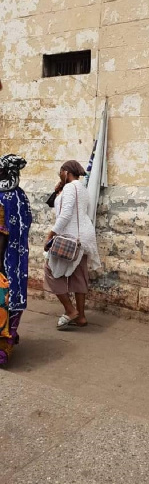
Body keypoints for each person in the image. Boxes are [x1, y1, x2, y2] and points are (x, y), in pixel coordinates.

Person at [44, 160, 100, 330]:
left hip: (70, 238)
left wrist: (51, 235)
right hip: (83, 237)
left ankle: (70, 310)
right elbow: (56, 204)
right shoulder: (81, 188)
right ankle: (81, 317)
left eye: (61, 172)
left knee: (50, 271)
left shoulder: (70, 188)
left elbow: (65, 214)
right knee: (79, 275)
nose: (59, 174)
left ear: (66, 172)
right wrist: (58, 189)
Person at [0, 154, 32, 365]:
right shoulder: (21, 196)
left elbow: (2, 235)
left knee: (3, 299)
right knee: (15, 297)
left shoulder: (1, 198)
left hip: (3, 259)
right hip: (20, 259)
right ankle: (11, 334)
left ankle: (3, 350)